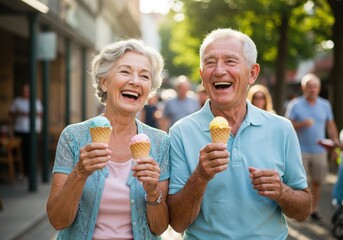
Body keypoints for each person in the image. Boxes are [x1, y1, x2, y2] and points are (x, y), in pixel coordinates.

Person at [167, 28, 312, 239]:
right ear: (201, 75)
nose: (218, 70)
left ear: (252, 73)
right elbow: (178, 223)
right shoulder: (180, 132)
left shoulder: (282, 128)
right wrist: (200, 177)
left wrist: (282, 191)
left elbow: (304, 211)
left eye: (230, 61)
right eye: (210, 62)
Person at [46, 39, 170, 239]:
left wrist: (153, 191)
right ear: (104, 81)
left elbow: (160, 228)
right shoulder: (73, 136)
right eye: (125, 71)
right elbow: (58, 220)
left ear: (149, 90)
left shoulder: (160, 141)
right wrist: (79, 173)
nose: (135, 81)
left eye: (144, 76)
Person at [285, 73, 340, 222]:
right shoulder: (295, 104)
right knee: (300, 183)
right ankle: (299, 210)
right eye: (309, 86)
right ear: (304, 88)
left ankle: (313, 209)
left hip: (320, 152)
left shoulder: (325, 105)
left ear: (319, 88)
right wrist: (302, 124)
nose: (313, 89)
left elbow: (330, 125)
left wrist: (335, 145)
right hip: (299, 150)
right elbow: (286, 126)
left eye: (315, 86)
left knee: (317, 181)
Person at [9, 83, 43, 176]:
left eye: (27, 91)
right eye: (24, 91)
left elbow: (40, 114)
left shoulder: (35, 101)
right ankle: (20, 170)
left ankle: (30, 171)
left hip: (33, 130)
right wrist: (19, 113)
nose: (26, 93)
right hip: (20, 129)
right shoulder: (17, 101)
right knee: (21, 151)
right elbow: (11, 113)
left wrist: (30, 114)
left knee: (31, 150)